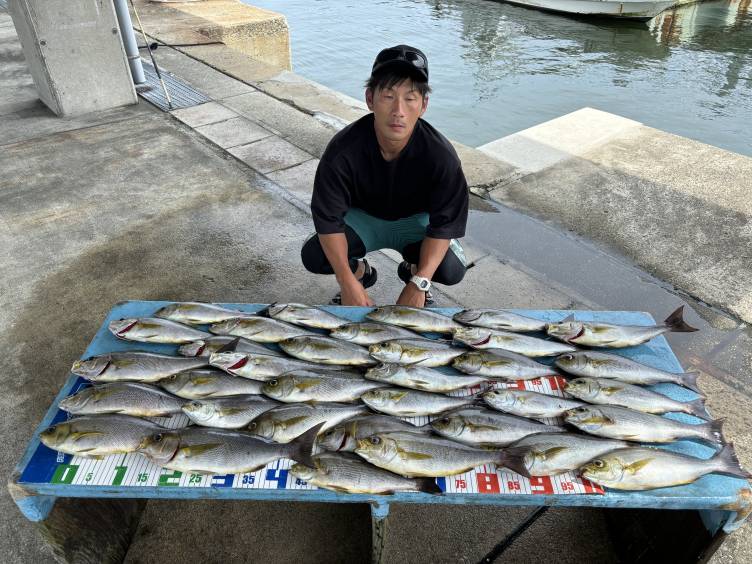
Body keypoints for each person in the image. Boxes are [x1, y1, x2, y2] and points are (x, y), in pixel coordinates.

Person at [301, 45, 469, 308]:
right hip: (364, 221)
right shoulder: (342, 151)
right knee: (314, 255)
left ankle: (414, 272)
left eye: (410, 98)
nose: (398, 110)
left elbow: (445, 224)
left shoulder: (441, 157)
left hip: (415, 224)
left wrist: (421, 282)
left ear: (423, 105)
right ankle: (360, 274)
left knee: (451, 269)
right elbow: (328, 220)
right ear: (370, 99)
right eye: (388, 96)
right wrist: (347, 282)